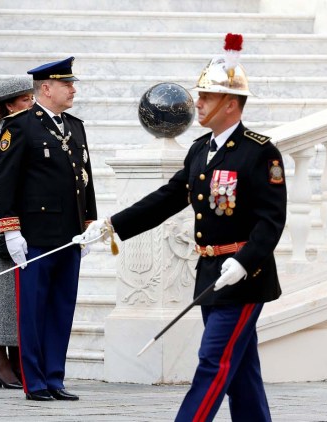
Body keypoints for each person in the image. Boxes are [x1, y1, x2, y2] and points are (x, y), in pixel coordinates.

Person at [82, 34, 286, 421]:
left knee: (212, 361)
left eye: (206, 97)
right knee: (240, 369)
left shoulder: (260, 152)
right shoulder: (199, 150)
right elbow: (166, 199)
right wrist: (110, 226)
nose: (198, 103)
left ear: (230, 103)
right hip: (209, 273)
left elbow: (271, 220)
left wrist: (243, 262)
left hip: (244, 278)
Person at [0, 57, 97, 401]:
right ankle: (34, 380)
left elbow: (85, 178)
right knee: (34, 310)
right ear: (46, 88)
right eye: (67, 84)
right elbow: (5, 182)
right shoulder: (20, 126)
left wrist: (88, 223)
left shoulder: (75, 126)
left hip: (69, 233)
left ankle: (55, 376)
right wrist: (10, 230)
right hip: (35, 234)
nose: (73, 89)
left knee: (61, 307)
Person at [0, 76, 34, 390]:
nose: (30, 103)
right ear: (9, 105)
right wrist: (2, 229)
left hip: (28, 230)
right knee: (2, 302)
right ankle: (2, 363)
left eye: (30, 98)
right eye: (25, 99)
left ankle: (17, 360)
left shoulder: (29, 133)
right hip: (4, 232)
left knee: (20, 302)